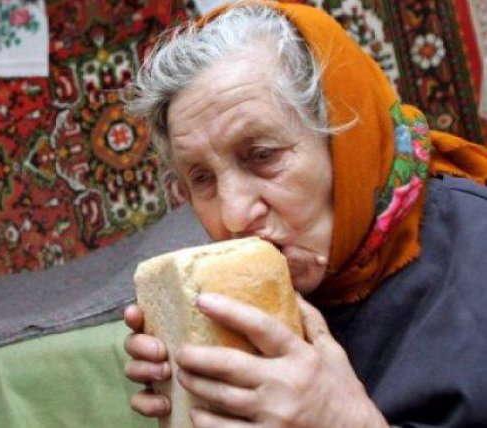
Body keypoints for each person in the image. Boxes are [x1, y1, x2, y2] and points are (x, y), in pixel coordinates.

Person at [123, 1, 487, 426]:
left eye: (262, 155)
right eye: (201, 178)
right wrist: (202, 396)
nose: (234, 215)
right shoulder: (245, 295)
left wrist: (345, 420)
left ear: (348, 139)